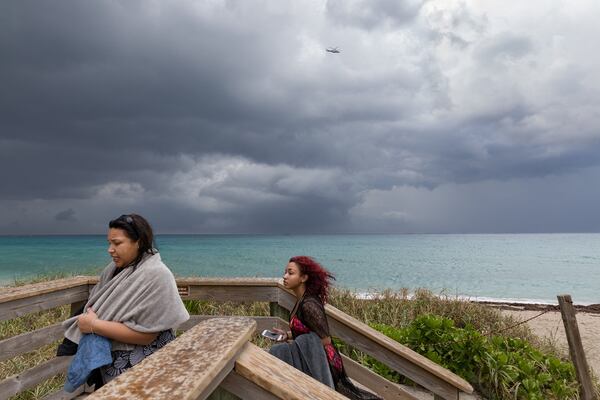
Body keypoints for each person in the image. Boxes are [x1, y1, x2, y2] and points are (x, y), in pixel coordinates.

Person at [60, 214, 189, 389]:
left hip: (146, 370)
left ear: (139, 242)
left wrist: (93, 325)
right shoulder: (113, 270)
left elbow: (147, 336)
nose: (110, 249)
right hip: (111, 368)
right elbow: (97, 304)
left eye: (117, 243)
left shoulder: (157, 275)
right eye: (109, 243)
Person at [269, 256, 381, 400]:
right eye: (285, 272)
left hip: (324, 362)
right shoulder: (302, 300)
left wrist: (296, 348)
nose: (285, 276)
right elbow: (310, 331)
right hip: (316, 359)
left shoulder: (309, 305)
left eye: (290, 273)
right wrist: (288, 335)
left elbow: (325, 340)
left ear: (303, 277)